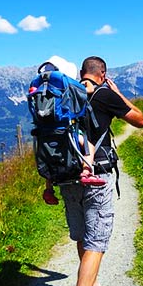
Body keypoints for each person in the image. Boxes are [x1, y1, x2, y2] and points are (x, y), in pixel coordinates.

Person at [59, 56, 143, 286]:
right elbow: (140, 119)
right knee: (97, 242)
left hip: (68, 177)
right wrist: (117, 91)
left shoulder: (65, 93)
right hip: (97, 176)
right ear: (103, 74)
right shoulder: (105, 94)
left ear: (81, 73)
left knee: (83, 236)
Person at [36, 56, 105, 206]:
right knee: (89, 146)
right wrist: (87, 86)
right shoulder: (67, 85)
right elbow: (88, 90)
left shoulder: (41, 87)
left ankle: (48, 190)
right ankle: (87, 172)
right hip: (66, 128)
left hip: (45, 132)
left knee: (49, 157)